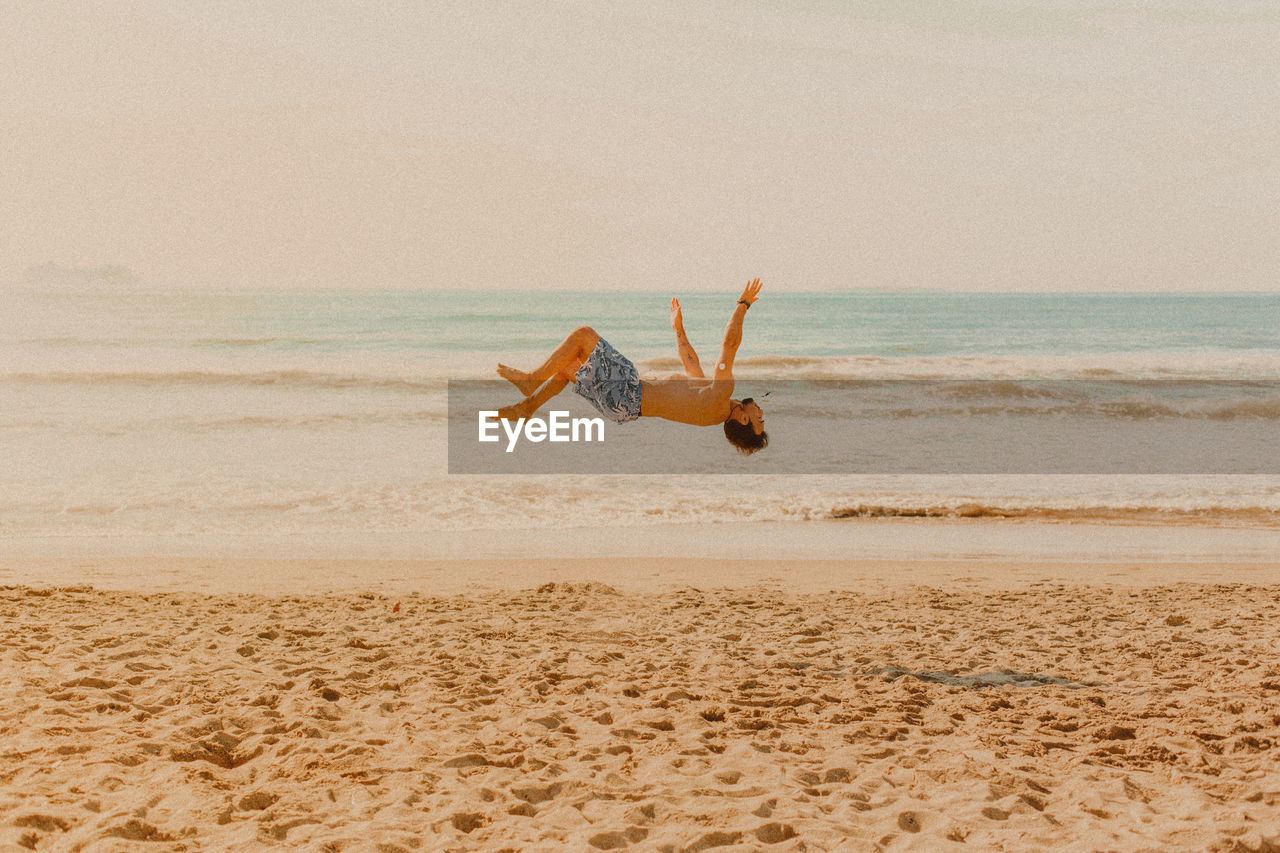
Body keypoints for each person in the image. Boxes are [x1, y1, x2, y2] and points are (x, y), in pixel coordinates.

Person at [495, 279, 768, 455]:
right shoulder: (711, 406)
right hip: (623, 409)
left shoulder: (720, 396)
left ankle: (531, 381)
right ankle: (527, 408)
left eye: (759, 419)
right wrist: (678, 328)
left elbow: (729, 346)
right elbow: (691, 366)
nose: (761, 412)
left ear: (743, 419)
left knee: (582, 335)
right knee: (568, 366)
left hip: (629, 392)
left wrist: (742, 305)